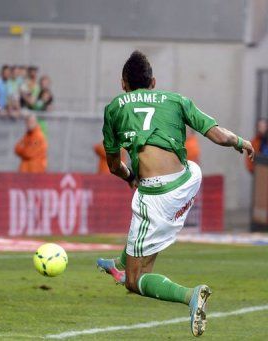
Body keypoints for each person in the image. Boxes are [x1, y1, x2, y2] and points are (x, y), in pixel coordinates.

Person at [96, 51, 254, 337]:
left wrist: (130, 176)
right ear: (153, 82)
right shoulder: (176, 99)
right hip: (187, 179)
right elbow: (216, 133)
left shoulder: (115, 107)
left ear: (123, 84)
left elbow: (113, 166)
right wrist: (240, 141)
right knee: (145, 229)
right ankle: (119, 263)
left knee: (135, 280)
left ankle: (189, 295)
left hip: (157, 195)